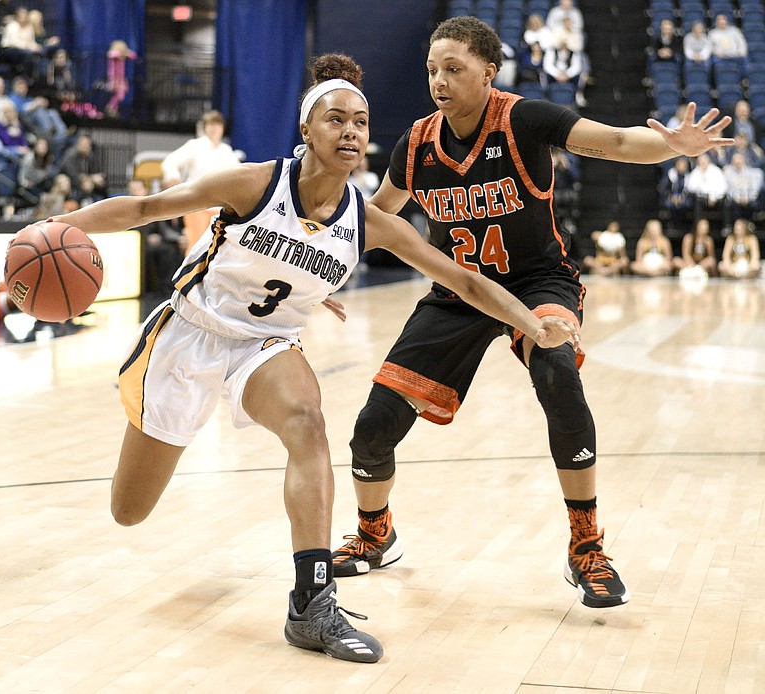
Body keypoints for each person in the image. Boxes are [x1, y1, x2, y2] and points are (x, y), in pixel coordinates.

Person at [39, 53, 577, 662]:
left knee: (308, 422)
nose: (351, 132)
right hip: (189, 335)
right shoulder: (252, 184)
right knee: (128, 511)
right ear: (307, 130)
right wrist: (53, 227)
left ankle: (311, 603)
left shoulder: (368, 222)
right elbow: (142, 210)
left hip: (263, 348)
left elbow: (466, 281)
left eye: (361, 122)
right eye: (336, 120)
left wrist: (532, 322)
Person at [330, 16, 733, 610]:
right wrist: (322, 268)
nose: (439, 81)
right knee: (372, 429)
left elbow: (616, 142)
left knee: (556, 370)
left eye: (454, 69)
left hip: (536, 280)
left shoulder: (525, 119)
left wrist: (671, 146)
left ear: (489, 71)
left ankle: (586, 546)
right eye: (432, 70)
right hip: (458, 291)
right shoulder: (416, 144)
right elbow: (372, 221)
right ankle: (374, 533)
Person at [161, 109, 244, 252]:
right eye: (210, 125)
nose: (214, 129)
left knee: (218, 248)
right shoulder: (195, 145)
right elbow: (169, 162)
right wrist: (174, 177)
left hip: (220, 207)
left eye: (217, 125)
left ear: (222, 128)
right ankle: (192, 274)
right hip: (197, 205)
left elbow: (240, 176)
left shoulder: (227, 151)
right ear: (205, 128)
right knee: (196, 246)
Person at [126, 177, 185, 295]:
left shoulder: (154, 204)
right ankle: (164, 287)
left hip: (161, 238)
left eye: (138, 189)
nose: (136, 192)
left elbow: (164, 228)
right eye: (133, 190)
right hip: (138, 240)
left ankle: (174, 284)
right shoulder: (129, 206)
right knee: (168, 250)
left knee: (174, 248)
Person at [659, 155, 694, 232]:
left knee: (685, 204)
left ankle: (683, 226)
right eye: (680, 164)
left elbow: (691, 189)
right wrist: (671, 196)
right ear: (676, 165)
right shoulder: (670, 174)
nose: (683, 166)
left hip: (685, 198)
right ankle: (673, 225)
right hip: (671, 197)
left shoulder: (689, 176)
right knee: (670, 204)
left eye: (684, 165)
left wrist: (683, 197)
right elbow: (662, 188)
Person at [104, 39, 137, 118]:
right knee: (118, 94)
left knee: (120, 95)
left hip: (120, 79)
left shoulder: (122, 55)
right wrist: (121, 53)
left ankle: (113, 109)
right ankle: (111, 107)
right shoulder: (113, 55)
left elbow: (134, 55)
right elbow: (111, 54)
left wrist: (125, 53)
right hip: (114, 79)